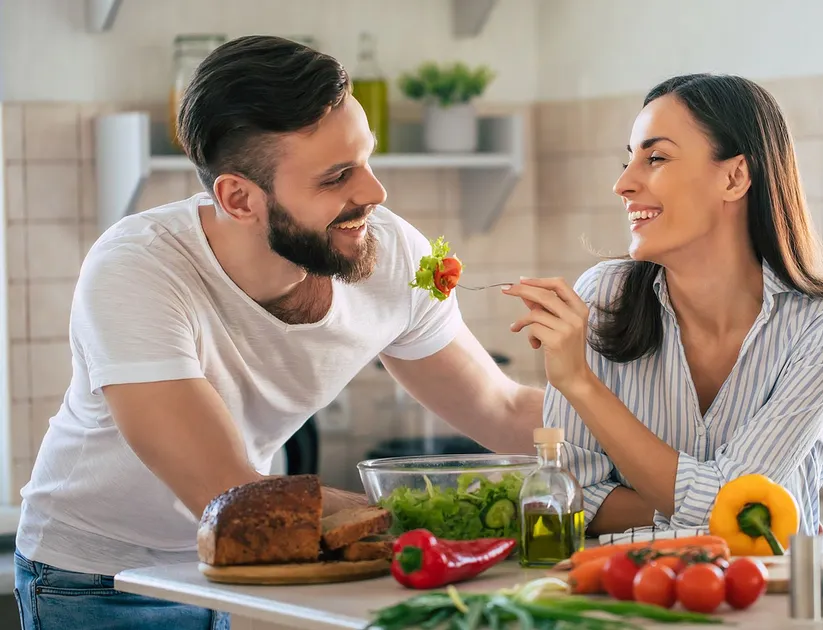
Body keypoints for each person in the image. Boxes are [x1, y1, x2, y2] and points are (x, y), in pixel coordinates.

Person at [13, 36, 542, 630]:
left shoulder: (387, 252)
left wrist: (643, 439)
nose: (373, 192)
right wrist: (429, 515)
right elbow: (226, 492)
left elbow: (502, 408)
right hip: (100, 579)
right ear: (238, 198)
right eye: (337, 176)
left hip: (249, 568)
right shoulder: (138, 267)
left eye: (366, 159)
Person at [503, 73, 823, 538]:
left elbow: (734, 503)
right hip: (627, 594)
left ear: (734, 177)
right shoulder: (600, 298)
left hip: (768, 598)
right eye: (628, 160)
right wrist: (705, 511)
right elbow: (571, 497)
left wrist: (580, 383)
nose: (622, 184)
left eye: (655, 157)